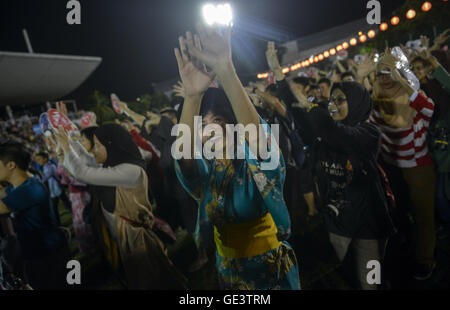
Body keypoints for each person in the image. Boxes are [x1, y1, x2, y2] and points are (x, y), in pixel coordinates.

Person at [173, 26, 300, 290]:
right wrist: (192, 97)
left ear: (233, 125)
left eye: (218, 120)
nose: (210, 129)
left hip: (269, 269)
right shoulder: (208, 172)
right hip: (228, 271)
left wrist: (226, 70)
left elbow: (258, 141)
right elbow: (184, 160)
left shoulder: (252, 164)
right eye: (203, 125)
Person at [54, 124, 187, 290]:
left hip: (136, 237)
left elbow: (84, 172)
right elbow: (88, 162)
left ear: (112, 145)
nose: (94, 150)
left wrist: (67, 146)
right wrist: (69, 142)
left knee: (152, 279)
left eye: (98, 145)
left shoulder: (130, 171)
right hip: (126, 235)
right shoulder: (115, 165)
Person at [370, 48, 436, 280]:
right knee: (400, 214)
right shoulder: (377, 103)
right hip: (392, 169)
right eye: (381, 73)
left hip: (418, 169)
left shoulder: (414, 97)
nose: (385, 78)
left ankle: (425, 259)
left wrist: (403, 79)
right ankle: (408, 249)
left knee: (423, 216)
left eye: (390, 72)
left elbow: (428, 108)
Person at [0, 143, 69, 289]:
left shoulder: (29, 189)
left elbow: (1, 207)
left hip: (47, 254)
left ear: (11, 165)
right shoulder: (19, 185)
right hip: (39, 252)